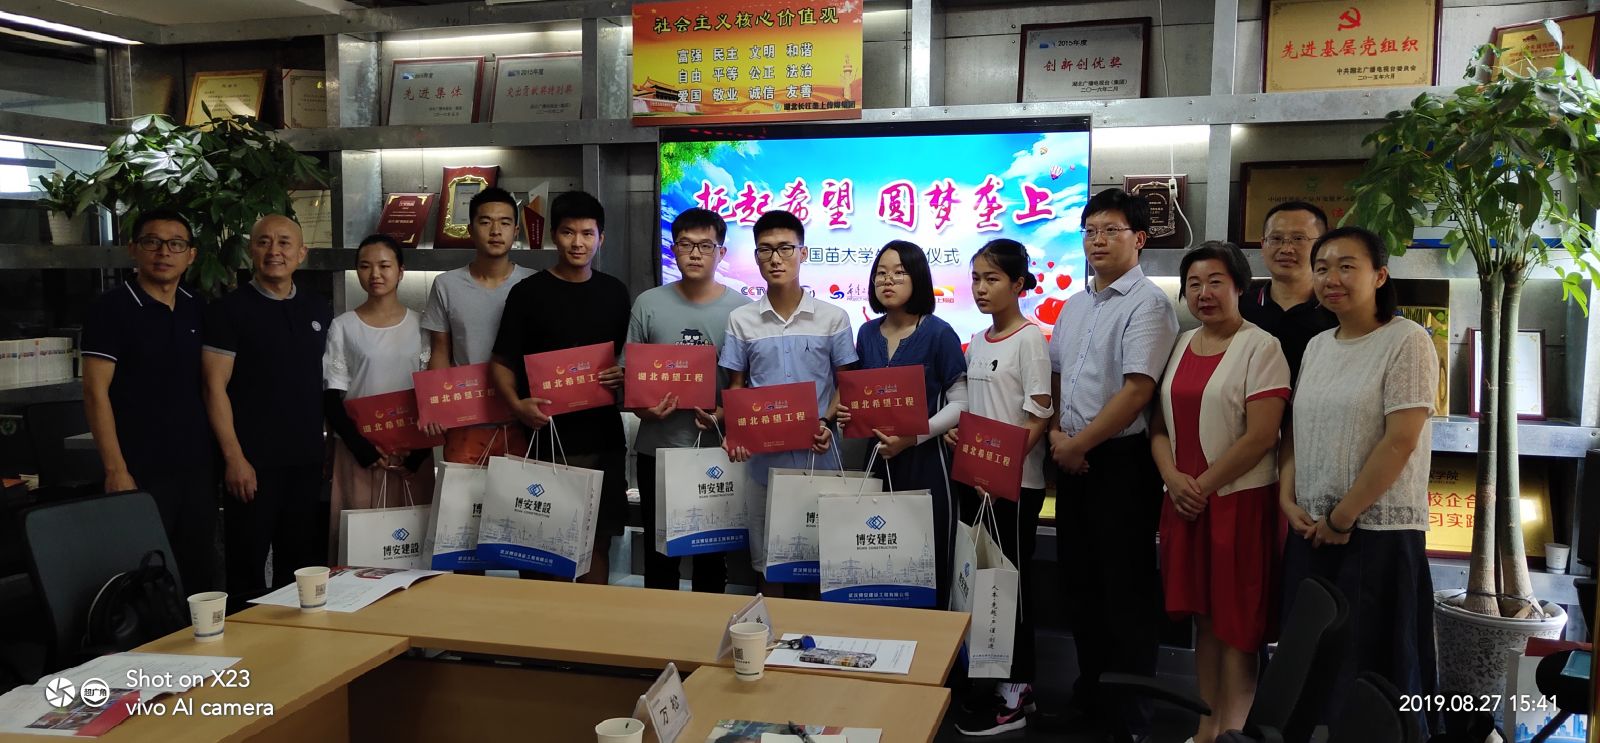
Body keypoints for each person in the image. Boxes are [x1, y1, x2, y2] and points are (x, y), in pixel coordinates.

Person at [1280, 226, 1438, 730]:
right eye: (1322, 268)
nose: (1332, 279)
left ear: (1380, 275)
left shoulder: (1407, 341)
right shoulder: (1317, 346)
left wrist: (1342, 517)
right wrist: (1287, 497)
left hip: (1376, 538)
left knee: (1372, 680)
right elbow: (1296, 430)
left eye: (1347, 266)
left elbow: (1400, 440)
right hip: (1312, 532)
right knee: (1310, 673)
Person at [1047, 187, 1179, 738]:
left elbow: (1137, 391)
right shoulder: (1075, 305)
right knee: (1080, 586)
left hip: (1122, 464)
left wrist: (1079, 445)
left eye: (1111, 230)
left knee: (1125, 592)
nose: (1097, 241)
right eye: (1090, 231)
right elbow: (1058, 377)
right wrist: (1059, 434)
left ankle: (1129, 718)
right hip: (1072, 457)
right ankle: (1091, 698)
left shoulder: (1148, 303)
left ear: (1139, 238)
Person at [1151, 241, 1290, 743]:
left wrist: (1200, 487)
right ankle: (1205, 728)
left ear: (1240, 288)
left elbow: (1262, 435)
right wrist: (1173, 479)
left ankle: (1234, 732)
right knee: (1205, 622)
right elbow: (1158, 426)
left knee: (1239, 628)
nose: (1204, 293)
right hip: (1185, 503)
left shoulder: (1262, 347)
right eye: (1194, 284)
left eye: (1215, 282)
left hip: (1238, 504)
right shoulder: (1181, 343)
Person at [491, 190, 630, 585]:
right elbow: (501, 363)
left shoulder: (615, 293)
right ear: (554, 235)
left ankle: (591, 624)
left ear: (601, 238)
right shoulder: (528, 293)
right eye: (569, 233)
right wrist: (517, 405)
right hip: (543, 440)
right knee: (540, 544)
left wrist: (624, 375)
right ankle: (543, 626)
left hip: (602, 439)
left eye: (588, 233)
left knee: (598, 541)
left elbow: (629, 361)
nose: (578, 243)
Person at [717, 209, 855, 598]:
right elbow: (737, 386)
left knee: (821, 558)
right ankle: (772, 632)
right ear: (756, 257)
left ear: (803, 253)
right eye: (765, 250)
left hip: (819, 457)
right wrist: (737, 433)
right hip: (764, 464)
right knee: (770, 561)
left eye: (785, 248)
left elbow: (846, 384)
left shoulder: (833, 317)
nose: (775, 259)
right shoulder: (741, 320)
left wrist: (826, 423)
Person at [948, 238, 1053, 737]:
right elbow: (975, 410)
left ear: (1018, 284)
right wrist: (957, 434)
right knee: (981, 581)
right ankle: (991, 679)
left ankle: (1019, 689)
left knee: (1012, 584)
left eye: (992, 279)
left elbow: (1039, 416)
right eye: (976, 278)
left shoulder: (1030, 339)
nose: (981, 288)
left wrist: (1001, 470)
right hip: (976, 480)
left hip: (1014, 485)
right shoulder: (977, 339)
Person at [81, 208, 217, 592]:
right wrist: (115, 469)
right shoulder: (111, 309)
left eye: (176, 244)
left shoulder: (197, 306)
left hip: (197, 467)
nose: (164, 252)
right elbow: (94, 392)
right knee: (144, 576)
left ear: (191, 255)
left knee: (199, 572)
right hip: (139, 468)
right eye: (152, 242)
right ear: (133, 249)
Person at [202, 214, 331, 607]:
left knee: (302, 565)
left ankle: (300, 641)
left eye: (284, 242)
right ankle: (247, 639)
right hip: (252, 465)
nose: (274, 251)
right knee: (247, 567)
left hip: (306, 461)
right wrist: (234, 458)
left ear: (301, 253)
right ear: (251, 250)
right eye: (264, 242)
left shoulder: (318, 308)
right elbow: (213, 388)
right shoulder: (229, 310)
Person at [832, 240, 966, 609]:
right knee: (878, 559)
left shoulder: (939, 333)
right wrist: (847, 415)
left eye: (898, 273)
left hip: (927, 462)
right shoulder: (866, 333)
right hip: (877, 460)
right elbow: (863, 398)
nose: (887, 280)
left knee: (926, 556)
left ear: (918, 278)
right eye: (880, 273)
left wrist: (912, 438)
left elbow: (961, 404)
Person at [626, 207, 749, 592]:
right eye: (685, 244)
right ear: (673, 249)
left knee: (712, 557)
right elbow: (630, 376)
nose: (695, 253)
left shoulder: (742, 310)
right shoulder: (648, 303)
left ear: (721, 253)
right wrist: (642, 408)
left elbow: (749, 382)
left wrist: (725, 413)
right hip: (658, 449)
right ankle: (660, 629)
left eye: (705, 246)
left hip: (716, 450)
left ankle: (706, 630)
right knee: (660, 555)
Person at [322, 234, 436, 562]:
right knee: (360, 551)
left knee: (413, 546)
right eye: (365, 266)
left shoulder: (422, 325)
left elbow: (432, 392)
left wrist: (420, 451)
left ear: (401, 271)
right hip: (359, 454)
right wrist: (360, 447)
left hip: (411, 456)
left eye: (384, 265)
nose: (375, 274)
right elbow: (332, 394)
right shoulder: (343, 326)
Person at [420, 187, 534, 463]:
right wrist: (436, 406)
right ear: (470, 230)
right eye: (485, 222)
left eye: (504, 223)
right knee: (461, 492)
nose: (495, 231)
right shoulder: (446, 285)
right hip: (466, 419)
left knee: (520, 491)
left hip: (520, 419)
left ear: (516, 231)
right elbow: (440, 352)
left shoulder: (533, 284)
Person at [1241, 201, 1336, 383]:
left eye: (1299, 238)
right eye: (1276, 239)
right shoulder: (1239, 309)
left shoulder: (1337, 310)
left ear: (1322, 246)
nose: (1286, 249)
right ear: (1263, 244)